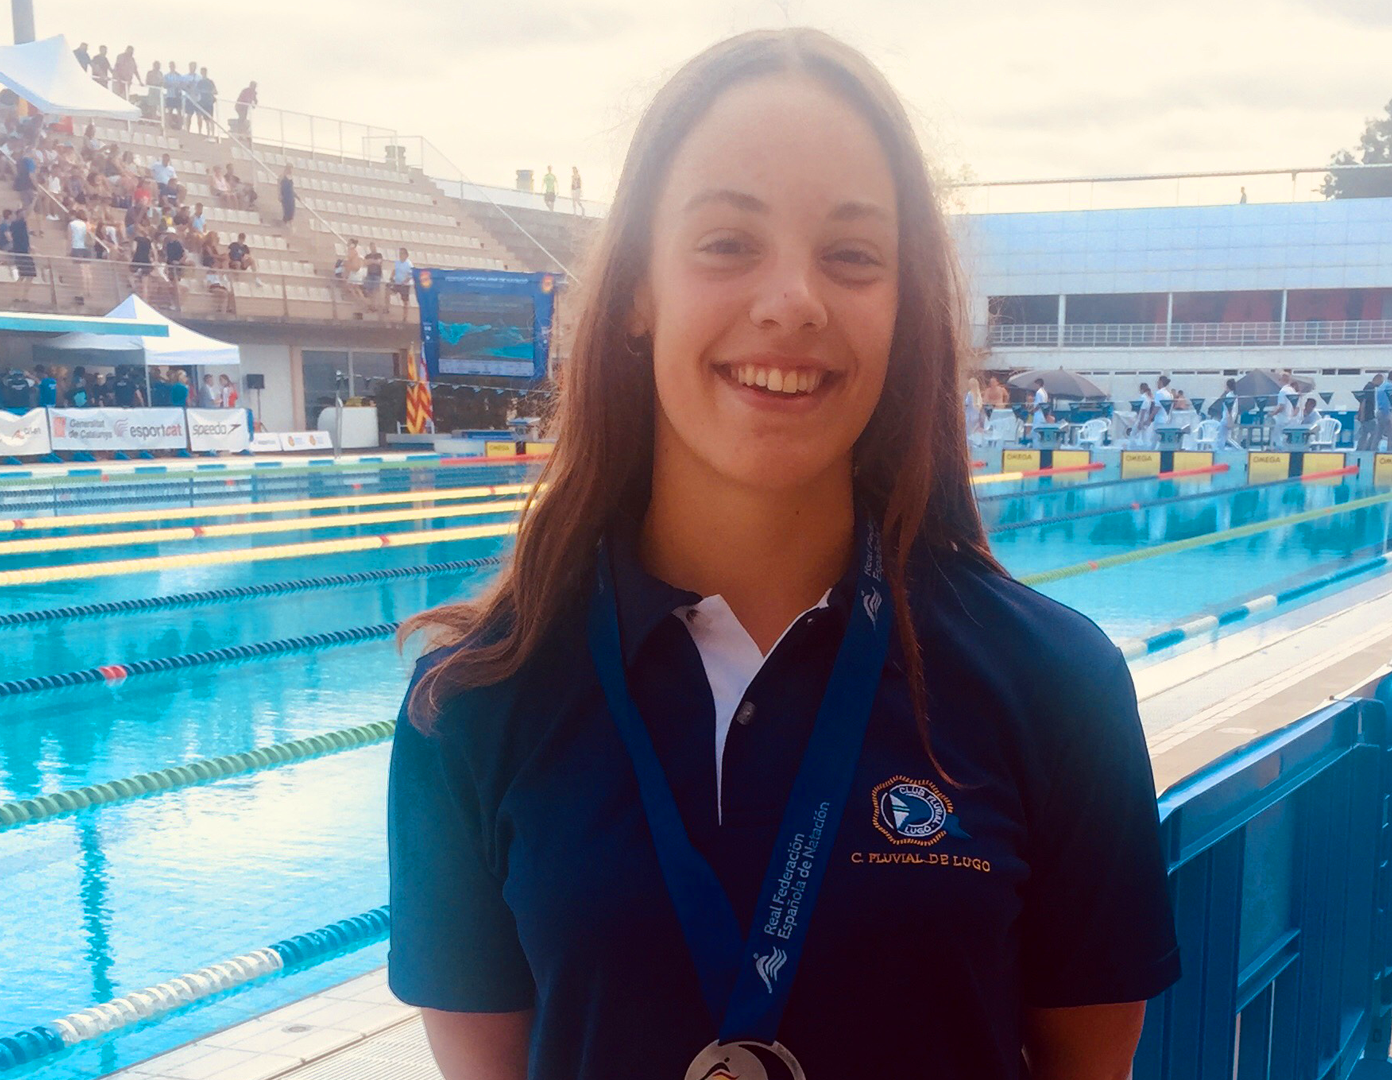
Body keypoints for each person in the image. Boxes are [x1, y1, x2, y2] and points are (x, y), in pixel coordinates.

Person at [386, 30, 1178, 1080]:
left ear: (903, 310)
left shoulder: (1055, 685)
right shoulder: (479, 701)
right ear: (636, 292)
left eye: (853, 256)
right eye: (726, 242)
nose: (792, 300)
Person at [1376, 369, 1392, 451]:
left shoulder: (1381, 386)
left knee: (1378, 433)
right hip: (1385, 412)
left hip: (1379, 411)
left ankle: (1373, 449)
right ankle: (1390, 451)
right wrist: (1389, 416)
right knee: (1391, 435)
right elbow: (1388, 402)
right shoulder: (1390, 387)